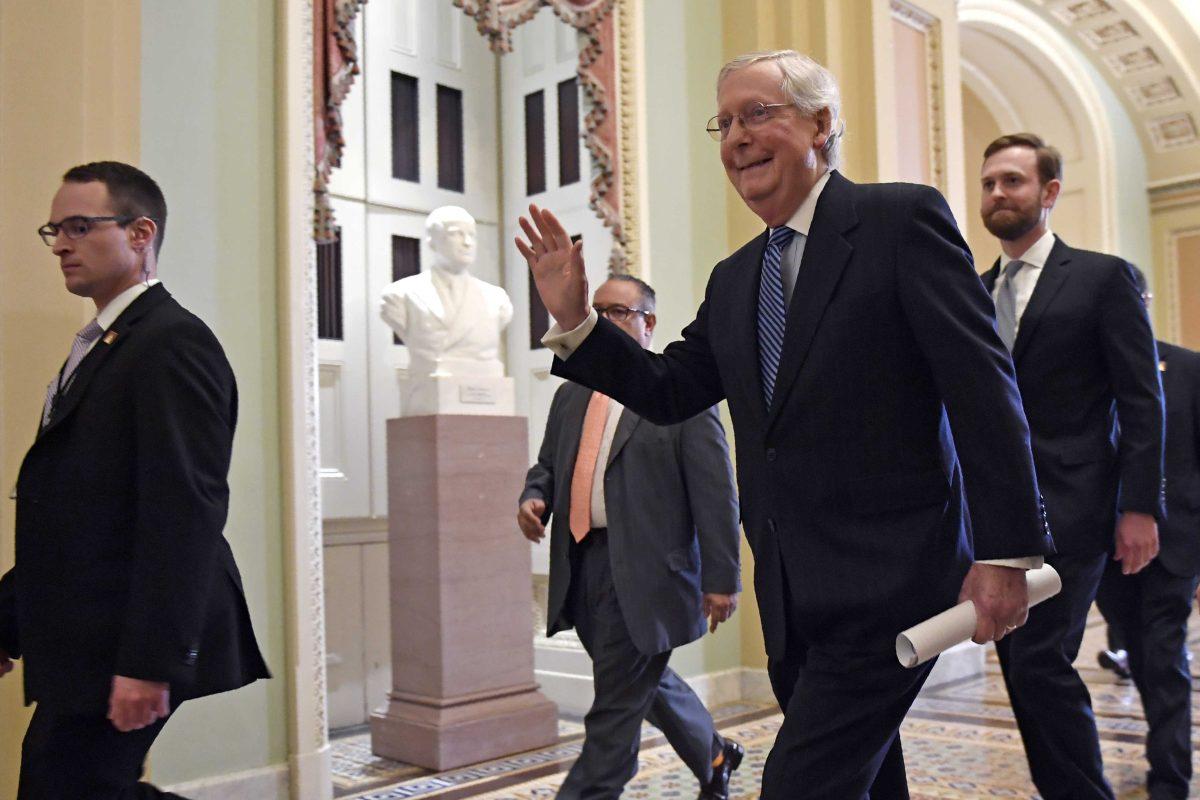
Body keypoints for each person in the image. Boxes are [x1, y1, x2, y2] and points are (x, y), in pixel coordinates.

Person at [516, 50, 1053, 799]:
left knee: (801, 786)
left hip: (897, 585)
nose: (736, 137)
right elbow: (669, 389)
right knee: (864, 781)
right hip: (795, 598)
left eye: (759, 114)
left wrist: (1008, 553)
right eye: (725, 122)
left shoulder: (901, 220)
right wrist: (575, 321)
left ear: (823, 123)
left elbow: (983, 390)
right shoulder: (735, 279)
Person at [0, 161, 270, 799]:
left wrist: (150, 663)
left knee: (65, 786)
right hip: (89, 626)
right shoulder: (109, 341)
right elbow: (78, 513)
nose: (61, 243)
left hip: (126, 634)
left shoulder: (171, 343)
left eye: (80, 226)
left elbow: (185, 511)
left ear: (141, 232)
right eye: (55, 230)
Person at [978, 133, 1165, 800]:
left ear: (1049, 193)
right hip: (995, 520)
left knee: (1038, 660)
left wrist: (1140, 507)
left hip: (1077, 508)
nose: (999, 194)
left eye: (1013, 182)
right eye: (990, 183)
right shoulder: (974, 292)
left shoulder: (1100, 277)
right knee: (1022, 667)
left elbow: (1143, 399)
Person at [519, 274, 744, 800]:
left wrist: (721, 579)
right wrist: (535, 497)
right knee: (641, 679)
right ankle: (714, 753)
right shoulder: (572, 394)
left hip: (647, 574)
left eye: (619, 311)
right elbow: (549, 466)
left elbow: (717, 492)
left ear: (649, 324)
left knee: (614, 713)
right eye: (599, 310)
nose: (606, 320)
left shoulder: (679, 393)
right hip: (584, 566)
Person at [1093, 265, 1199, 799]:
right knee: (1139, 650)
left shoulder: (1187, 368)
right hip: (1109, 549)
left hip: (1176, 543)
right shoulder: (1090, 372)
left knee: (1163, 655)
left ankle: (1170, 779)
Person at [379, 205, 514, 379]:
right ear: (432, 240)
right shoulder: (399, 295)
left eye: (472, 235)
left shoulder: (497, 299)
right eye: (456, 234)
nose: (467, 242)